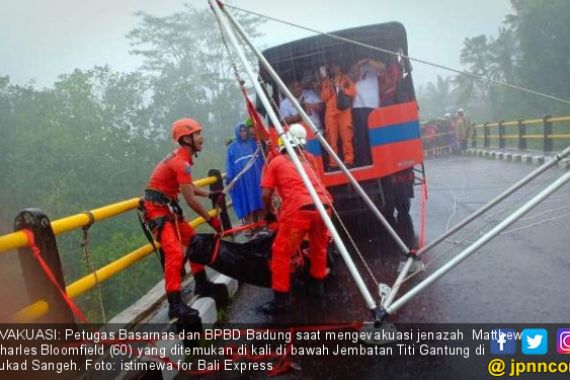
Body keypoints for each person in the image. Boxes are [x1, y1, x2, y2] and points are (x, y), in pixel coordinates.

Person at [142, 118, 225, 320]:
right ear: (186, 139)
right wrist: (210, 219)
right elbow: (189, 198)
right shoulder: (181, 162)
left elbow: (187, 187)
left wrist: (209, 195)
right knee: (174, 253)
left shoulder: (182, 159)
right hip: (157, 212)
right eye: (197, 134)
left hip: (167, 209)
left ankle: (201, 283)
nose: (201, 138)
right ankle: (175, 304)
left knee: (193, 241)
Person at [259, 131, 332, 314]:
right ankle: (318, 288)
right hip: (324, 206)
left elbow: (266, 194)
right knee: (319, 247)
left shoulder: (276, 162)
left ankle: (281, 301)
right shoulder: (307, 160)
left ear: (281, 147)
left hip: (299, 210)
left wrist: (268, 213)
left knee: (281, 253)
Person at [225, 122, 265, 228]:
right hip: (242, 180)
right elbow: (229, 164)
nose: (243, 133)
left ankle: (261, 223)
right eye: (240, 131)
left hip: (255, 177)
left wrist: (264, 173)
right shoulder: (232, 148)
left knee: (257, 198)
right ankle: (249, 226)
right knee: (245, 201)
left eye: (244, 130)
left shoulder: (253, 143)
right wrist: (230, 178)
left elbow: (260, 159)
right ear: (237, 132)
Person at [349, 58, 386, 166]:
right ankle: (363, 162)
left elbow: (382, 67)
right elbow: (351, 77)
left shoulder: (374, 66)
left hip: (373, 106)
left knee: (374, 135)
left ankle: (376, 160)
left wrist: (368, 61)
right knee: (361, 137)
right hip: (358, 106)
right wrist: (358, 64)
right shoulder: (354, 67)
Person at [320, 63, 356, 168]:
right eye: (332, 67)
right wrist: (329, 86)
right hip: (331, 113)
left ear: (339, 67)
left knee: (347, 137)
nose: (334, 68)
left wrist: (341, 88)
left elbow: (353, 92)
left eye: (335, 66)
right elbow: (323, 97)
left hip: (344, 111)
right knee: (331, 138)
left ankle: (349, 160)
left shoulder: (345, 79)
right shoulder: (327, 82)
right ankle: (333, 163)